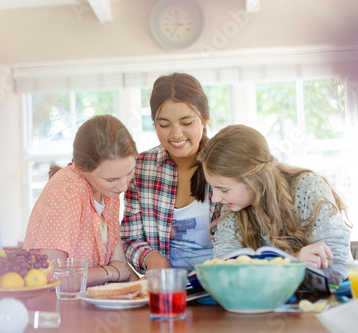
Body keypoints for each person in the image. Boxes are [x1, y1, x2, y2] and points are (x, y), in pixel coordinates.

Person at [197, 124, 353, 285]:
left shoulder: (307, 188)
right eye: (212, 188)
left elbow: (337, 269)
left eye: (224, 189)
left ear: (255, 180)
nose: (215, 198)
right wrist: (292, 263)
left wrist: (266, 270)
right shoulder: (231, 207)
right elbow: (226, 271)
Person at [121, 73, 219, 275]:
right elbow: (130, 238)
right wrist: (149, 256)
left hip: (222, 288)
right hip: (166, 290)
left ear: (204, 118)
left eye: (186, 123)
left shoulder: (227, 165)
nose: (176, 134)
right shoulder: (140, 168)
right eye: (164, 125)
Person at [23, 115, 138, 286]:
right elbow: (53, 276)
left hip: (91, 304)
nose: (123, 187)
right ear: (83, 168)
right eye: (111, 179)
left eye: (129, 173)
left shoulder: (108, 191)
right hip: (56, 307)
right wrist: (109, 272)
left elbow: (120, 265)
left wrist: (146, 290)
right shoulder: (66, 191)